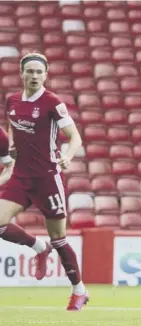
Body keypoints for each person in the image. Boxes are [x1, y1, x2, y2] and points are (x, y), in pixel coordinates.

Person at [0, 52, 87, 310]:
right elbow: (12, 125)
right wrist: (14, 148)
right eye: (30, 71)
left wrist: (68, 157)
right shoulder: (12, 100)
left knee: (59, 239)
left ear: (46, 75)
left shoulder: (53, 102)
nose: (35, 76)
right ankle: (39, 247)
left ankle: (79, 291)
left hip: (48, 178)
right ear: (22, 73)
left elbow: (75, 137)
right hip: (21, 176)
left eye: (39, 72)